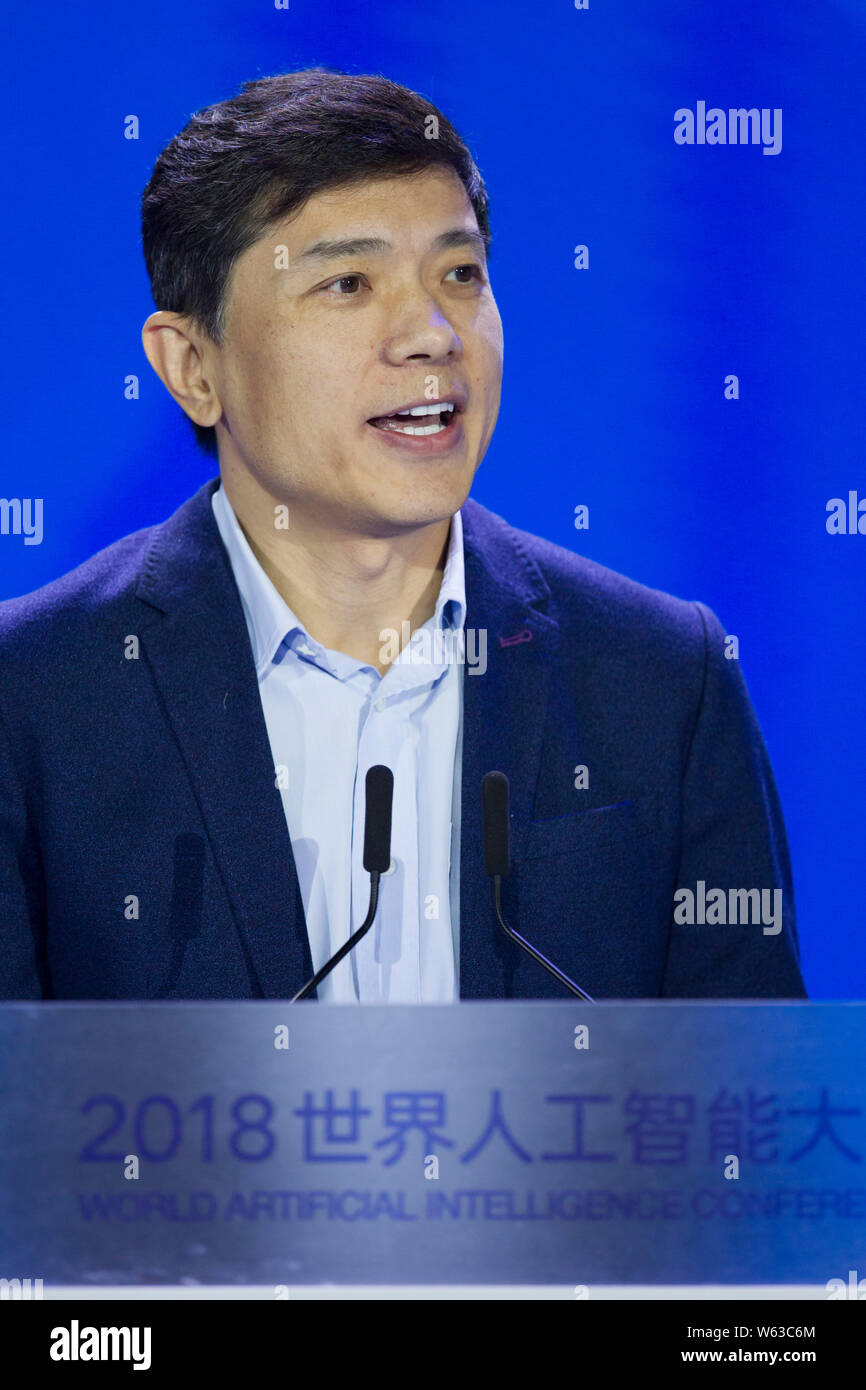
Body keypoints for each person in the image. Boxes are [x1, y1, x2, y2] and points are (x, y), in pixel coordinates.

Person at [0, 69, 806, 1001]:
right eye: (348, 282)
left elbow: (744, 1117)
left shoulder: (664, 678)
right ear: (192, 368)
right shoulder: (38, 695)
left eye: (459, 275)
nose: (431, 335)